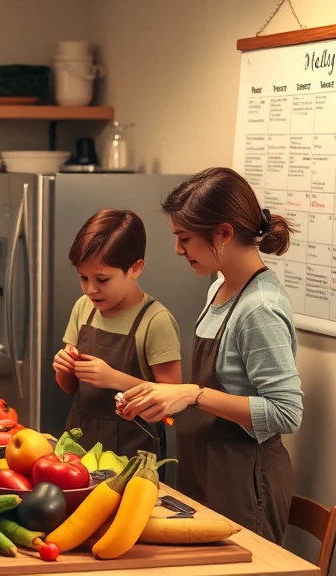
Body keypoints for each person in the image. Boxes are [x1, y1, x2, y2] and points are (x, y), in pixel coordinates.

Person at [117, 167, 304, 544]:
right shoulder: (220, 287)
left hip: (244, 479)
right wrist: (161, 400)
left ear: (223, 233)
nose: (177, 249)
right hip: (203, 469)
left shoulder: (259, 308)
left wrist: (192, 394)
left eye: (184, 238)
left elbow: (287, 413)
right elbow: (220, 391)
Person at [52, 209, 183, 458]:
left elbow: (172, 400)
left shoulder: (155, 320)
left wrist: (114, 379)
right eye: (83, 278)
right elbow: (68, 387)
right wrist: (63, 367)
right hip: (79, 441)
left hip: (133, 450)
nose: (91, 289)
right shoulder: (84, 308)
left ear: (135, 268)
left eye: (102, 279)